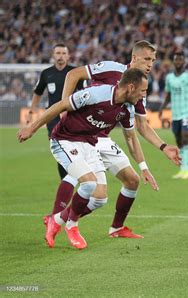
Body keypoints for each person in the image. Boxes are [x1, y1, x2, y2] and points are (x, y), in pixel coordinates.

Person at [45, 41, 181, 239]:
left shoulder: (139, 89)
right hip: (81, 133)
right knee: (80, 177)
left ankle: (115, 227)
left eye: (153, 60)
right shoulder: (111, 69)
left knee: (131, 181)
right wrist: (65, 105)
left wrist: (163, 146)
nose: (151, 64)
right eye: (147, 59)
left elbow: (142, 126)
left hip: (102, 137)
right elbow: (74, 74)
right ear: (134, 58)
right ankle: (58, 219)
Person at [18, 68, 149, 249]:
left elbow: (131, 139)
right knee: (88, 183)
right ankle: (71, 226)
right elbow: (60, 105)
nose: (144, 95)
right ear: (131, 87)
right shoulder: (97, 94)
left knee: (99, 199)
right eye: (143, 91)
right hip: (64, 140)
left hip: (89, 144)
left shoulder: (127, 109)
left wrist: (144, 167)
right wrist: (31, 128)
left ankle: (55, 220)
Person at [27, 44, 84, 182]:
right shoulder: (46, 73)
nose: (61, 56)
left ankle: (76, 176)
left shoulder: (75, 72)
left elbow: (83, 93)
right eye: (58, 53)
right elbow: (38, 92)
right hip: (52, 117)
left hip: (71, 116)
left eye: (64, 53)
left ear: (68, 56)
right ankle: (66, 180)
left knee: (75, 148)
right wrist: (31, 111)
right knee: (59, 148)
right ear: (53, 55)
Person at [159, 51, 188, 179]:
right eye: (176, 60)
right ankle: (183, 169)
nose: (178, 62)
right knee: (178, 140)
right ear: (174, 62)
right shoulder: (169, 78)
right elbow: (168, 95)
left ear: (184, 61)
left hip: (187, 112)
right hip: (176, 113)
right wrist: (162, 107)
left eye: (180, 60)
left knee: (185, 138)